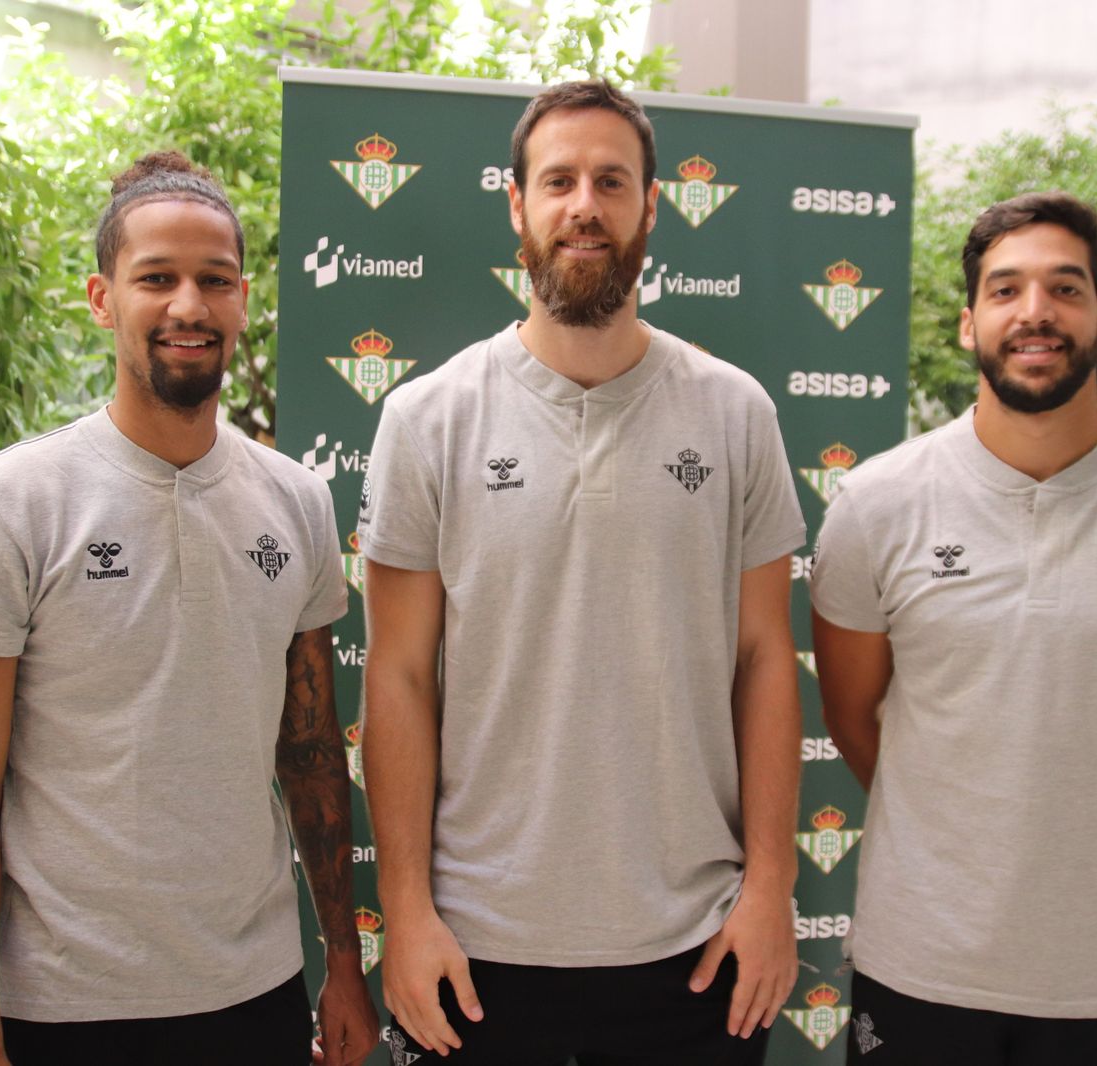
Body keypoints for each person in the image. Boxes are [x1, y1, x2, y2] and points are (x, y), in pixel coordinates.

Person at [358, 80, 806, 1065]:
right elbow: (396, 675)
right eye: (558, 181)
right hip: (474, 947)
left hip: (694, 946)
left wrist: (772, 887)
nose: (584, 206)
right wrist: (405, 909)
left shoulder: (735, 413)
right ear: (516, 205)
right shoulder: (427, 419)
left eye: (611, 181)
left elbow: (766, 657)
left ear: (652, 205)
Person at [0, 151, 378, 1066]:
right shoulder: (4, 504)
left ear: (243, 300)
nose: (188, 307)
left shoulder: (295, 500)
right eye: (156, 279)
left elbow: (311, 751)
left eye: (215, 280)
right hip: (63, 1005)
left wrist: (342, 962)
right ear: (102, 299)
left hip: (254, 989)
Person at [809, 191, 1097, 1065]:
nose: (1035, 312)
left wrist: (1090, 830)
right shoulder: (877, 504)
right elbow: (854, 719)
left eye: (1065, 288)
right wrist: (964, 831)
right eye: (1005, 289)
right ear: (968, 324)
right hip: (921, 960)